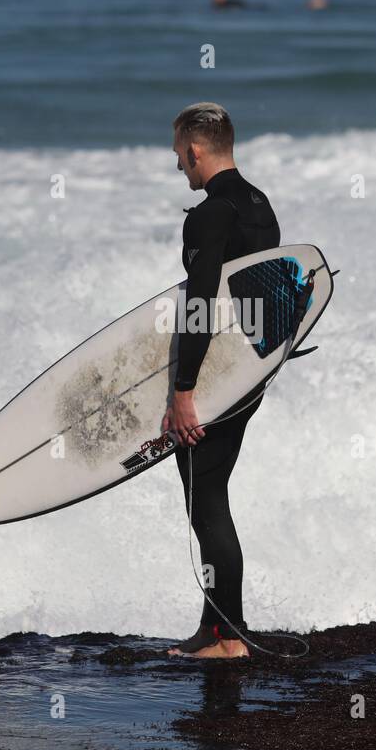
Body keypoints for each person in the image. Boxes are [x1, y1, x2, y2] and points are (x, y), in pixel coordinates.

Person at [164, 102, 281, 659]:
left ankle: (224, 637)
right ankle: (221, 629)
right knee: (212, 494)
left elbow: (201, 305)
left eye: (179, 158)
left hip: (214, 379)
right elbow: (270, 294)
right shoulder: (259, 205)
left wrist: (183, 392)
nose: (180, 170)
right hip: (249, 372)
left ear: (195, 149)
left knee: (206, 498)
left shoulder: (209, 214)